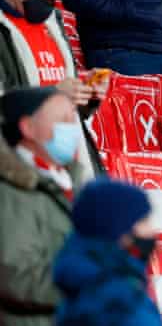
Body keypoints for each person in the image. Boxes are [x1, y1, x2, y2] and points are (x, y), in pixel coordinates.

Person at [0, 86, 85, 326]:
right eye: (63, 121)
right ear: (28, 128)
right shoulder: (11, 192)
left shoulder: (71, 181)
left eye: (73, 120)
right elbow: (14, 277)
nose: (72, 130)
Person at [53, 179, 162, 326]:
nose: (152, 231)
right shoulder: (118, 301)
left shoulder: (82, 285)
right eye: (144, 221)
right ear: (118, 229)